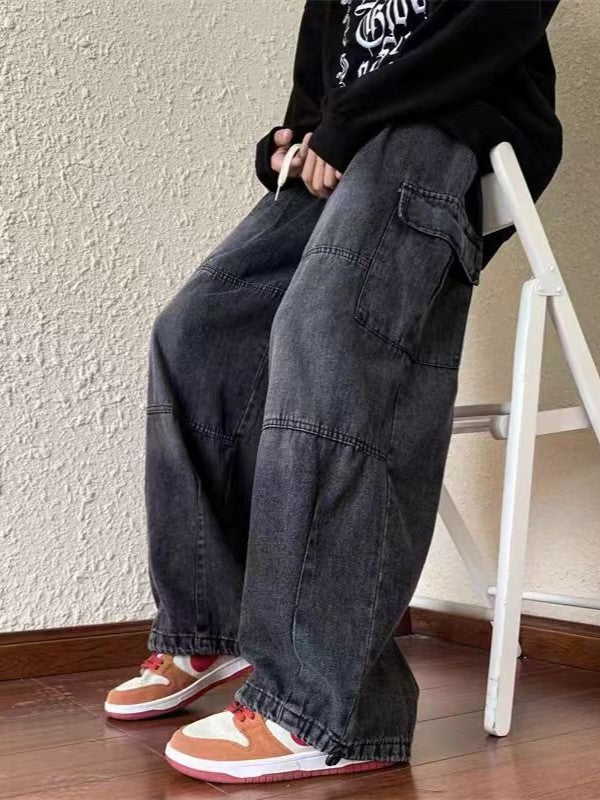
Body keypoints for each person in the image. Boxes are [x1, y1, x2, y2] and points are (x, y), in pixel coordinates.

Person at [104, 0, 562, 785]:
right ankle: (210, 628)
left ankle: (327, 707)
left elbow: (495, 25)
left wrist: (347, 123)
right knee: (196, 333)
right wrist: (297, 138)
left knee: (326, 334)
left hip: (446, 132)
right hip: (353, 149)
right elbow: (323, 78)